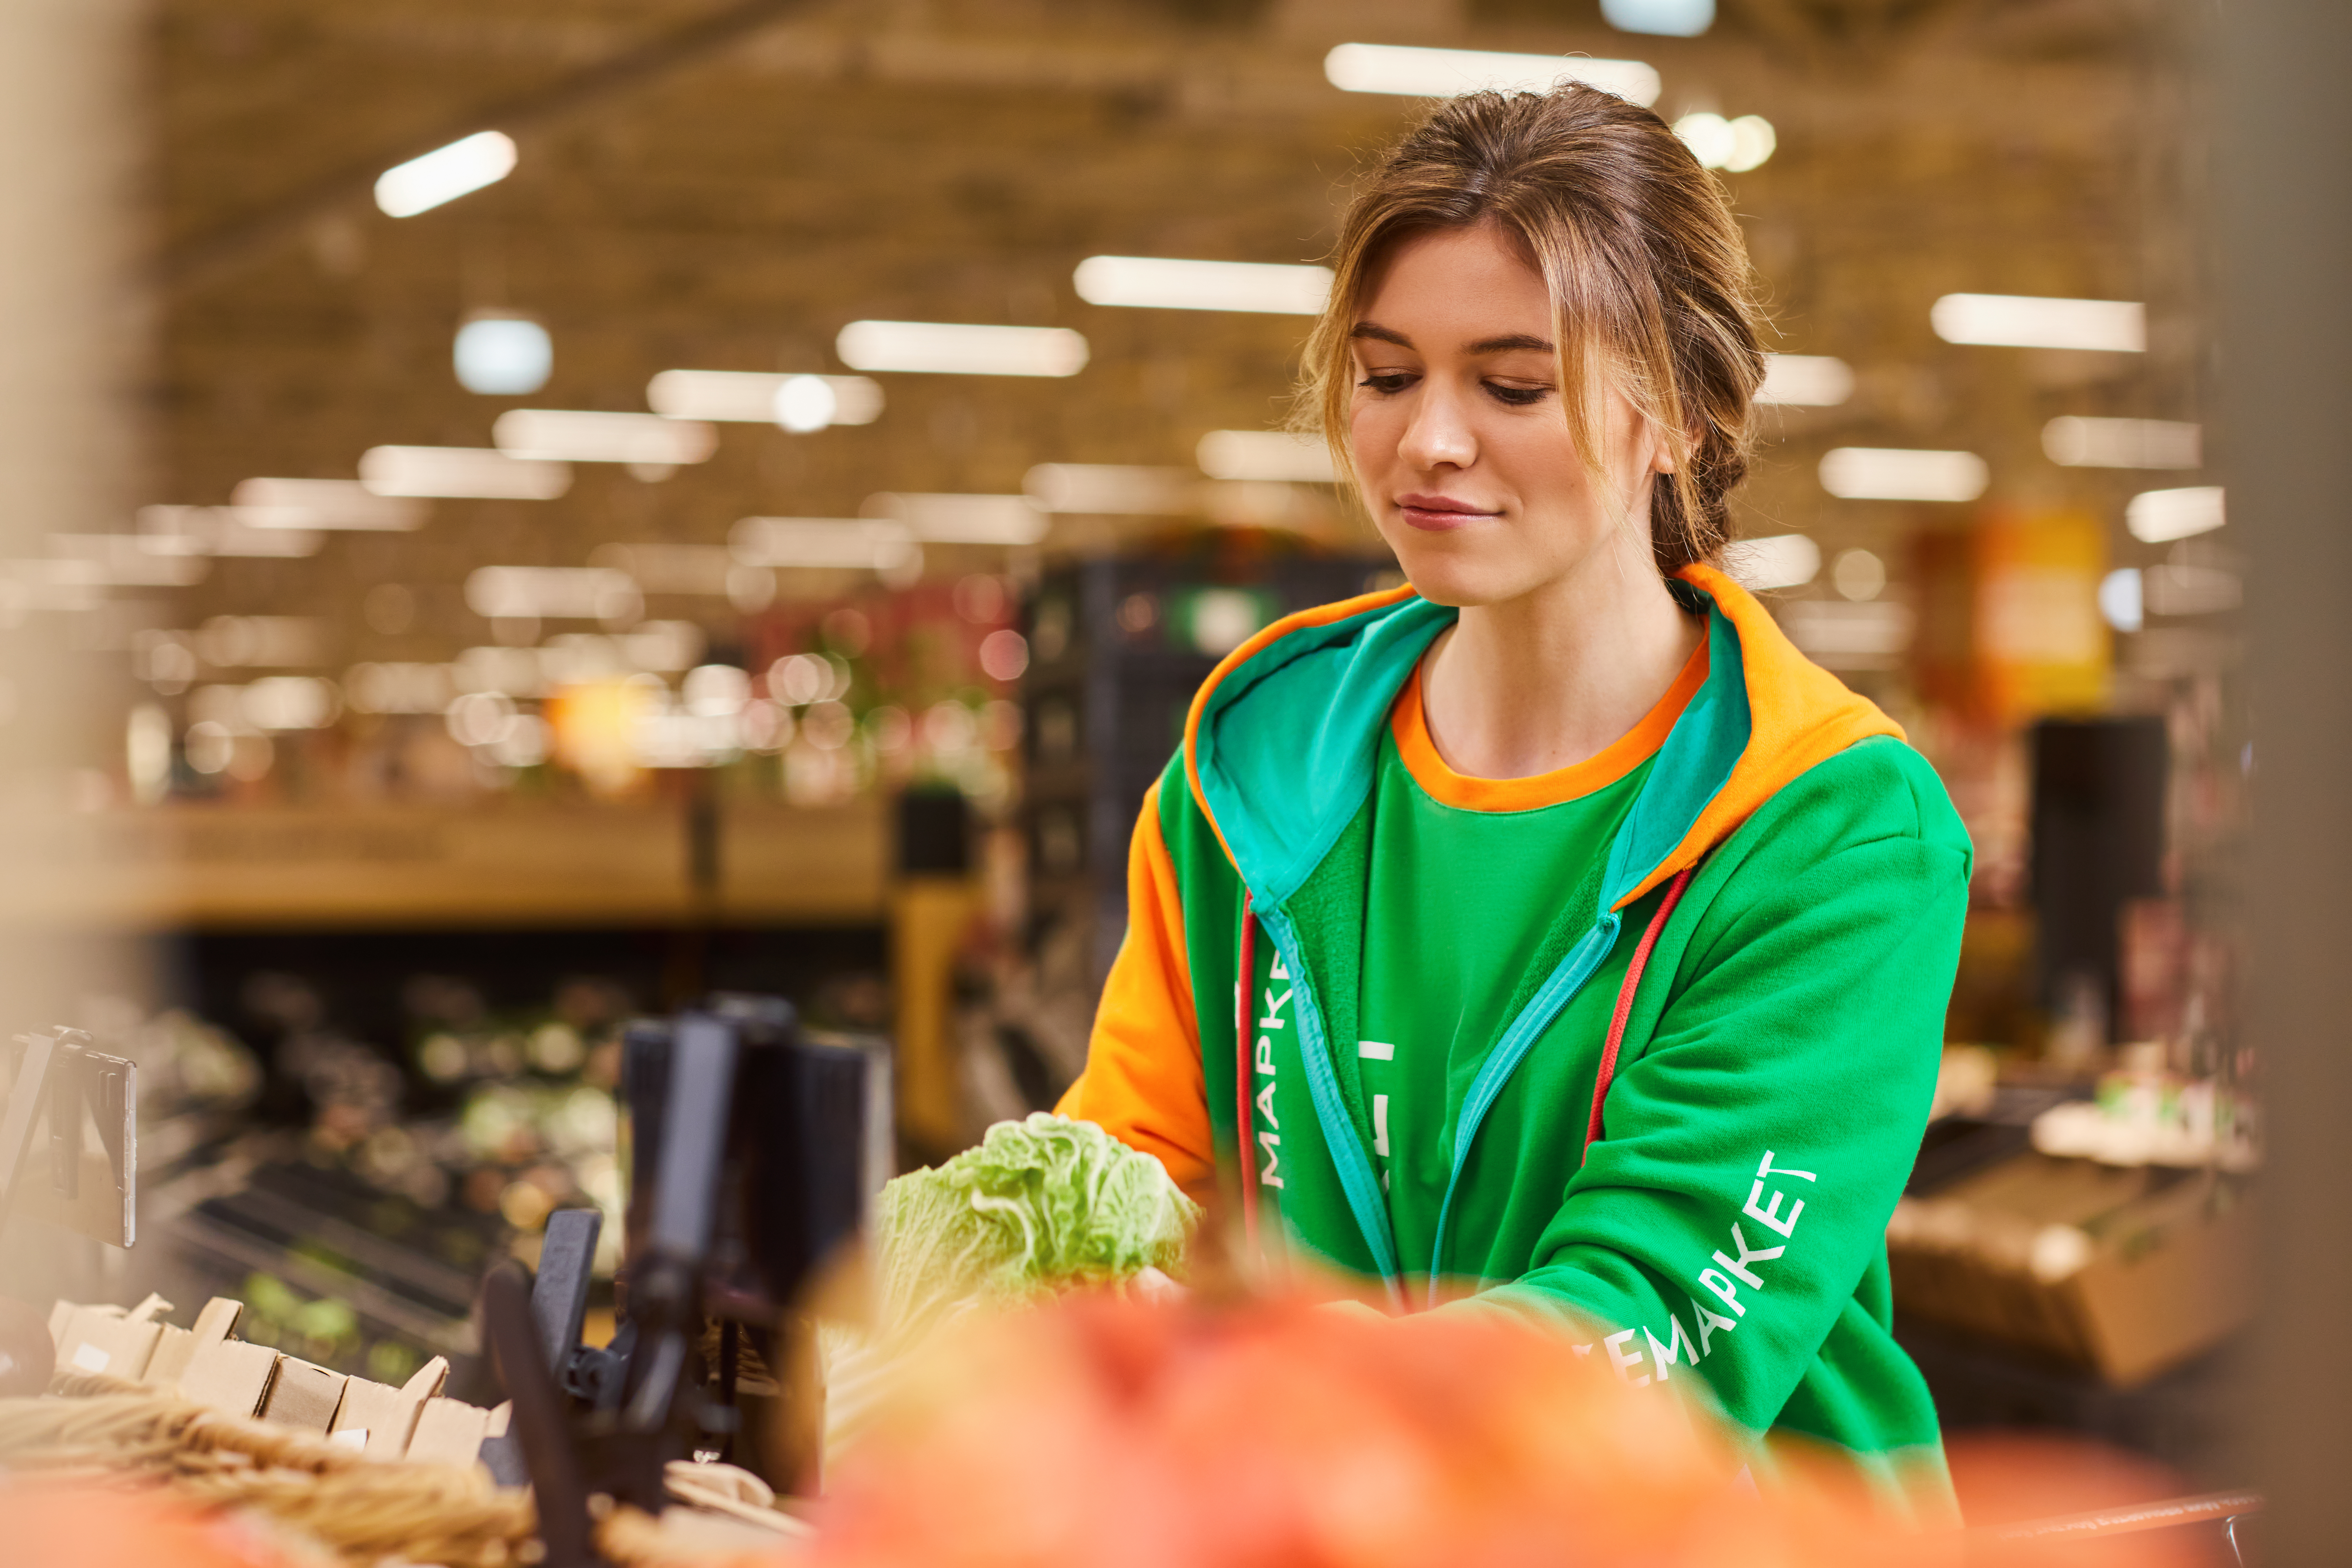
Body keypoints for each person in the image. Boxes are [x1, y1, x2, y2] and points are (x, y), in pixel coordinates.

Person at [1055, 83, 1972, 1519]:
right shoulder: (1249, 781)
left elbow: (1657, 1321)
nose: (1429, 441)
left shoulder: (1830, 831)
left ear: (1678, 410)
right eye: (1386, 374)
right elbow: (1122, 1197)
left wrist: (1292, 1387)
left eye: (1512, 384)